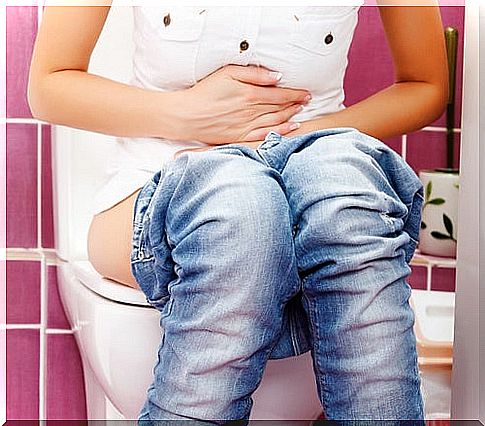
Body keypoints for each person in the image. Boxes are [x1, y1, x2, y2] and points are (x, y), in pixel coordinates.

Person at [28, 2, 448, 424]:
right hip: (168, 170)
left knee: (347, 204)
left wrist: (297, 135)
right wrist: (190, 115)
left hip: (316, 174)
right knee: (244, 213)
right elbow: (50, 84)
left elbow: (425, 84)